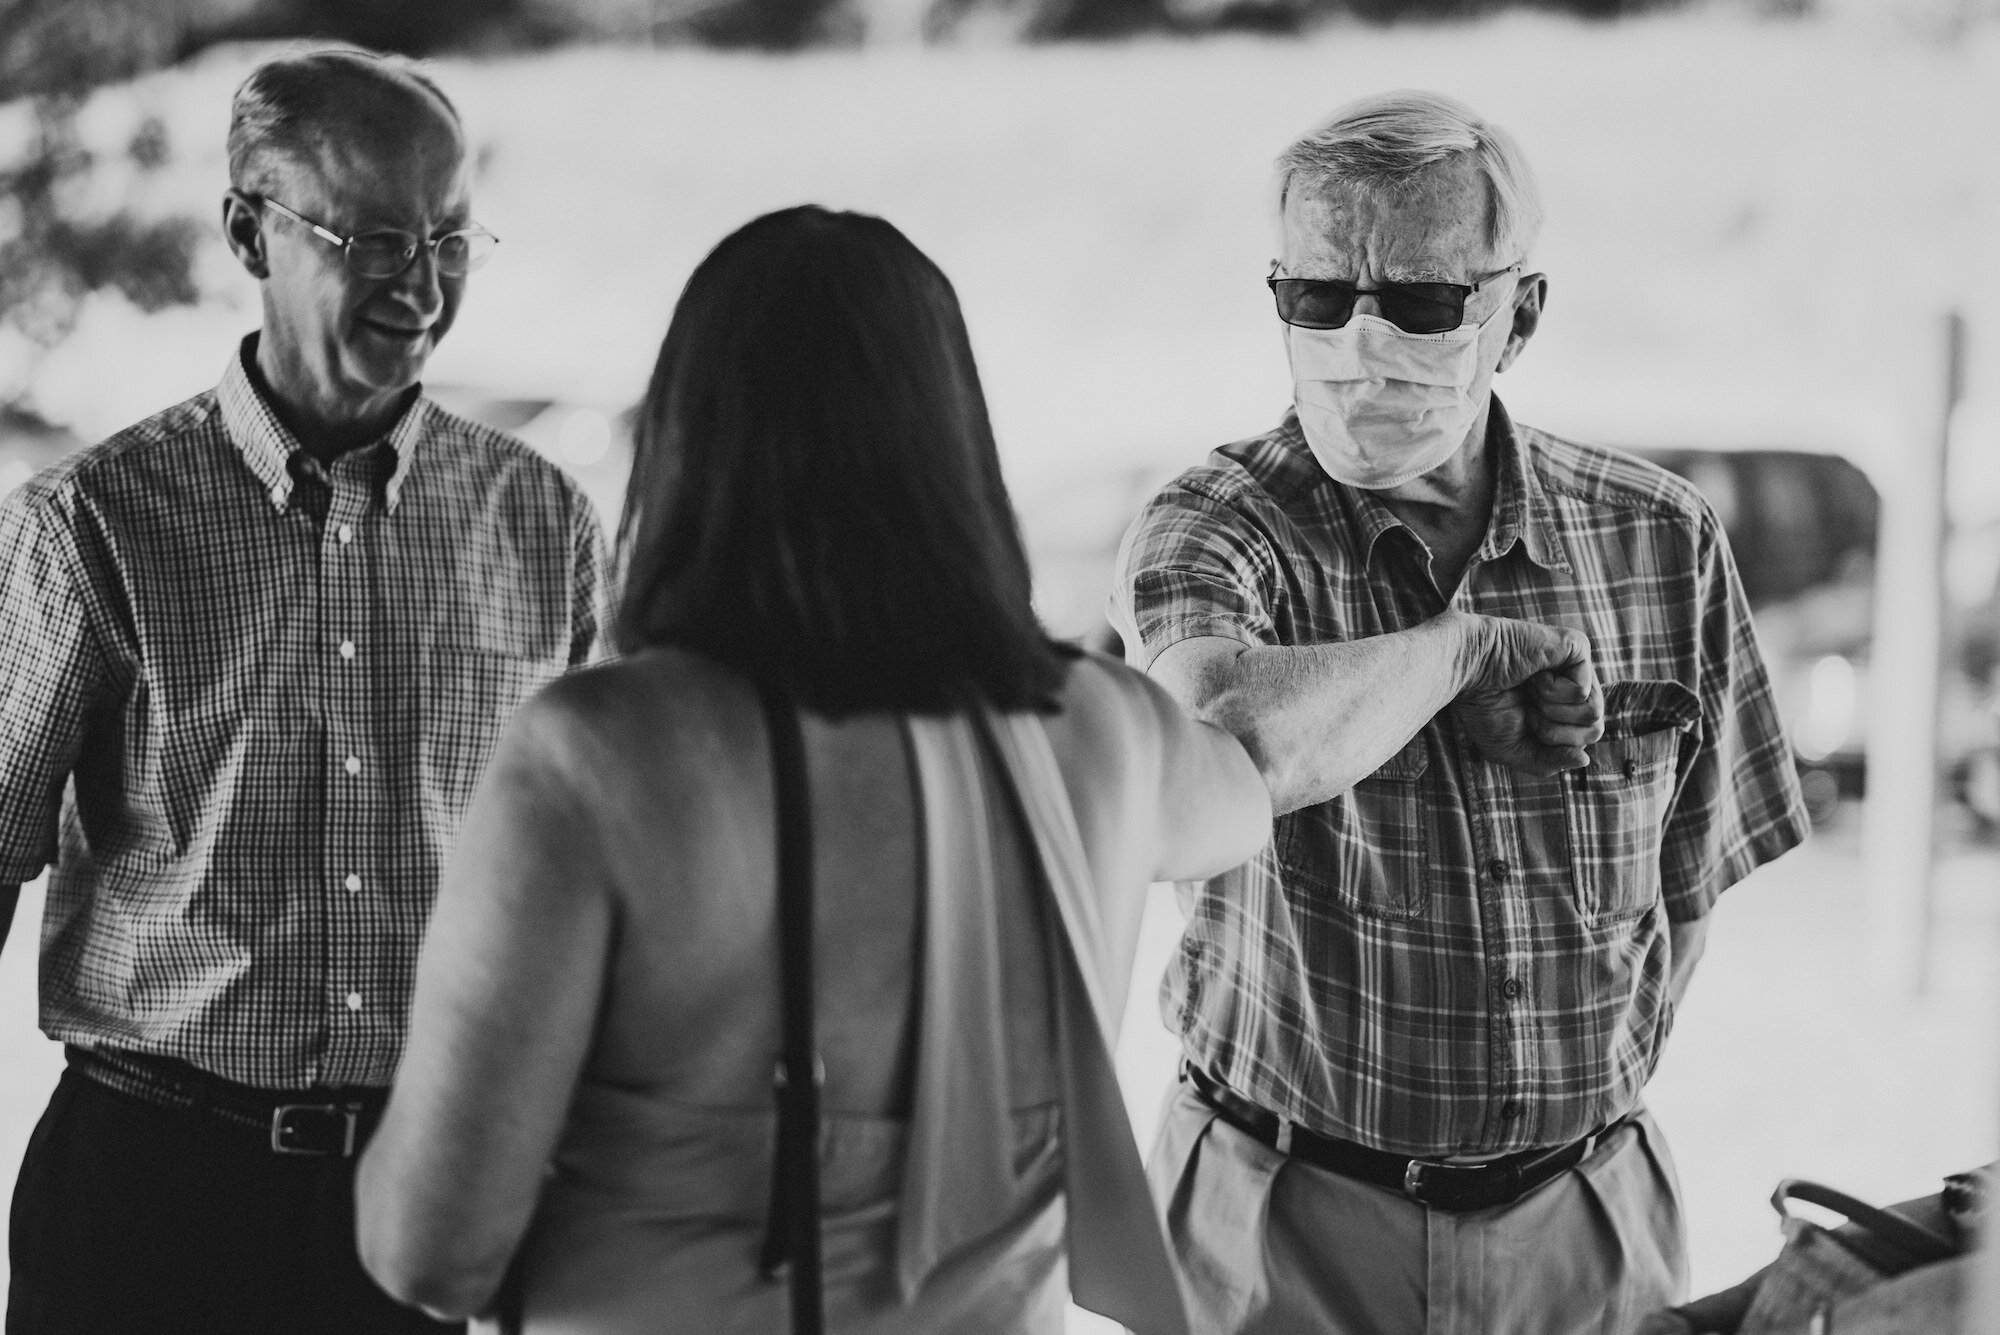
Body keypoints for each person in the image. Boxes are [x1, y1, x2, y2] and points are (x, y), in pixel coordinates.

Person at [353, 204, 1603, 1334]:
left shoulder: (597, 760)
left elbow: (434, 1253)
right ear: (957, 440)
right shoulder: (1101, 736)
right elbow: (1264, 760)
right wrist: (1459, 649)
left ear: (685, 445)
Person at [1112, 89, 1811, 1335]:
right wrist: (1458, 654)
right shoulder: (1214, 528)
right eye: (1316, 298)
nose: (1360, 342)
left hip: (1579, 1222)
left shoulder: (1655, 536)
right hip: (1276, 1226)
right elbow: (1215, 738)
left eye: (1424, 304)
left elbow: (1683, 904)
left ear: (1519, 314)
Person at [0, 49, 607, 1334]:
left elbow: (599, 881)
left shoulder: (544, 521)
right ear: (249, 231)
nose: (423, 286)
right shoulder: (92, 524)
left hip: (434, 1188)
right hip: (148, 1192)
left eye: (450, 238)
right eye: (376, 238)